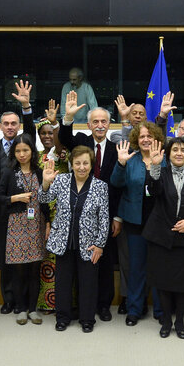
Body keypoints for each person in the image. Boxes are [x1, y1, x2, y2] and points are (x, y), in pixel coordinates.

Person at [58, 92, 121, 322]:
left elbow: (120, 188)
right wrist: (68, 117)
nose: (100, 125)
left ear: (109, 124)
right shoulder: (82, 142)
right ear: (89, 124)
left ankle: (103, 305)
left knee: (103, 262)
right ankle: (78, 307)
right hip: (79, 218)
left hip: (108, 216)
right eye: (95, 121)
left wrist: (117, 218)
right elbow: (64, 138)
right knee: (81, 265)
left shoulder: (117, 148)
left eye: (104, 121)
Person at [142, 138, 184, 339]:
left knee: (183, 283)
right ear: (168, 154)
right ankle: (165, 321)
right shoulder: (160, 173)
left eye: (183, 150)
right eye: (175, 150)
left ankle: (179, 321)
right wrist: (154, 166)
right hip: (161, 236)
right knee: (162, 281)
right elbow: (152, 192)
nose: (179, 153)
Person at [40, 147, 109, 333]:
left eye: (85, 163)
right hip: (63, 241)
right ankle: (63, 317)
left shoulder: (100, 186)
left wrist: (100, 245)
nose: (81, 167)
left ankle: (87, 319)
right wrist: (45, 183)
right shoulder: (61, 180)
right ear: (71, 164)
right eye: (77, 163)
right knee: (62, 282)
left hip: (89, 244)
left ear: (91, 164)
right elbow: (43, 198)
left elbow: (104, 219)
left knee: (88, 283)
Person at [0, 80, 36, 315]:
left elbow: (30, 131)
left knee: (26, 260)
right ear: (0, 126)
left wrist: (26, 107)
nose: (10, 127)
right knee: (7, 260)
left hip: (26, 215)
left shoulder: (25, 147)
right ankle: (9, 299)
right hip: (1, 213)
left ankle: (25, 300)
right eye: (5, 124)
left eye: (14, 123)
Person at [111, 121, 166, 326]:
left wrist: (156, 164)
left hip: (159, 222)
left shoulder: (164, 159)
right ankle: (135, 309)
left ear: (156, 139)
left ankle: (160, 310)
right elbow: (116, 183)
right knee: (136, 268)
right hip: (134, 222)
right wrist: (121, 163)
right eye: (141, 136)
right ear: (136, 139)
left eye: (149, 136)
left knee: (159, 267)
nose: (145, 139)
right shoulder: (130, 159)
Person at [0, 134, 48, 325]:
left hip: (36, 224)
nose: (22, 154)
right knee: (18, 271)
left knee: (34, 270)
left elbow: (46, 199)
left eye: (25, 150)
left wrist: (48, 222)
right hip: (15, 226)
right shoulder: (9, 172)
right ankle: (21, 309)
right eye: (18, 151)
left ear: (32, 151)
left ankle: (33, 310)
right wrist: (15, 198)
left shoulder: (40, 172)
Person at [35, 114, 68, 313]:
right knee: (47, 260)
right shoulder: (36, 157)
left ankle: (66, 301)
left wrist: (57, 126)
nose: (48, 137)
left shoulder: (64, 155)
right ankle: (47, 302)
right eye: (44, 133)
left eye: (51, 133)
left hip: (64, 215)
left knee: (64, 261)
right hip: (44, 214)